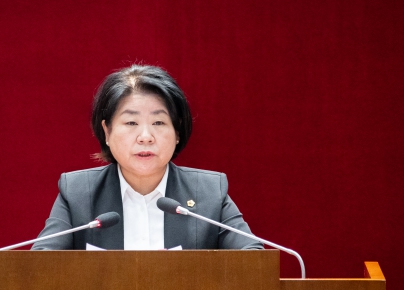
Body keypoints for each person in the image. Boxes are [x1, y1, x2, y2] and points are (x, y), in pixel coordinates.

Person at [31, 64, 263, 250]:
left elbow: (253, 259)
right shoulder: (78, 193)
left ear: (177, 132)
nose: (145, 137)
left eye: (158, 122)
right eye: (131, 123)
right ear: (107, 132)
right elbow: (41, 263)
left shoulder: (209, 192)